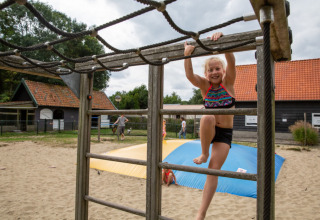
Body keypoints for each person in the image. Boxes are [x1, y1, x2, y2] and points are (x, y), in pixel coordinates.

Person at [184, 32, 236, 220]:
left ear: (223, 71)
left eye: (217, 69)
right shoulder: (205, 87)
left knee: (213, 170)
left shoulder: (228, 84)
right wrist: (187, 55)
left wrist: (225, 42)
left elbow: (232, 61)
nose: (214, 72)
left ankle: (201, 213)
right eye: (211, 70)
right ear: (206, 74)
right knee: (207, 117)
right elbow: (190, 76)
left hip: (224, 134)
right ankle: (204, 152)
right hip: (209, 130)